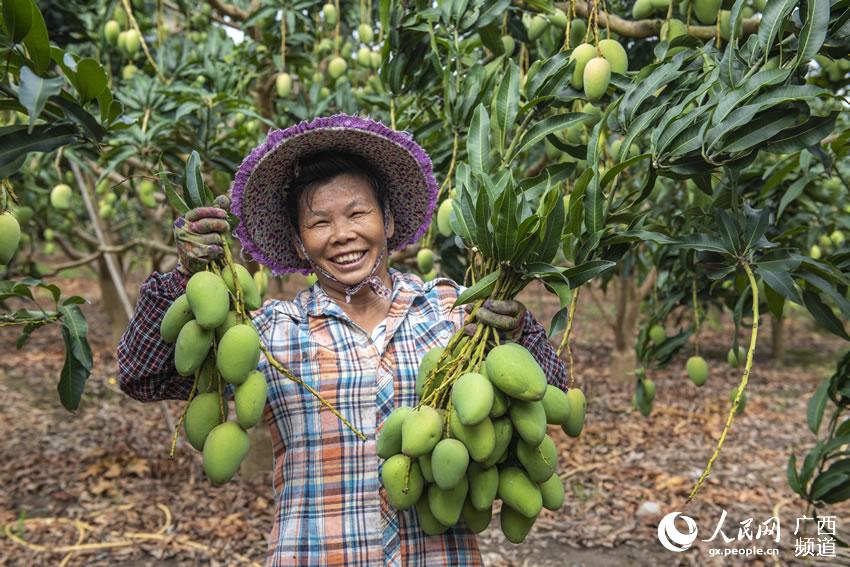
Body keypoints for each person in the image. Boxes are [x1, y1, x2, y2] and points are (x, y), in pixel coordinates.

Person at [117, 114, 568, 566]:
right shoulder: (269, 333)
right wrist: (186, 279)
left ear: (388, 221)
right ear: (298, 243)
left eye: (357, 213)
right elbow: (143, 375)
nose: (342, 236)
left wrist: (517, 335)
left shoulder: (453, 312)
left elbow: (550, 392)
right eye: (319, 223)